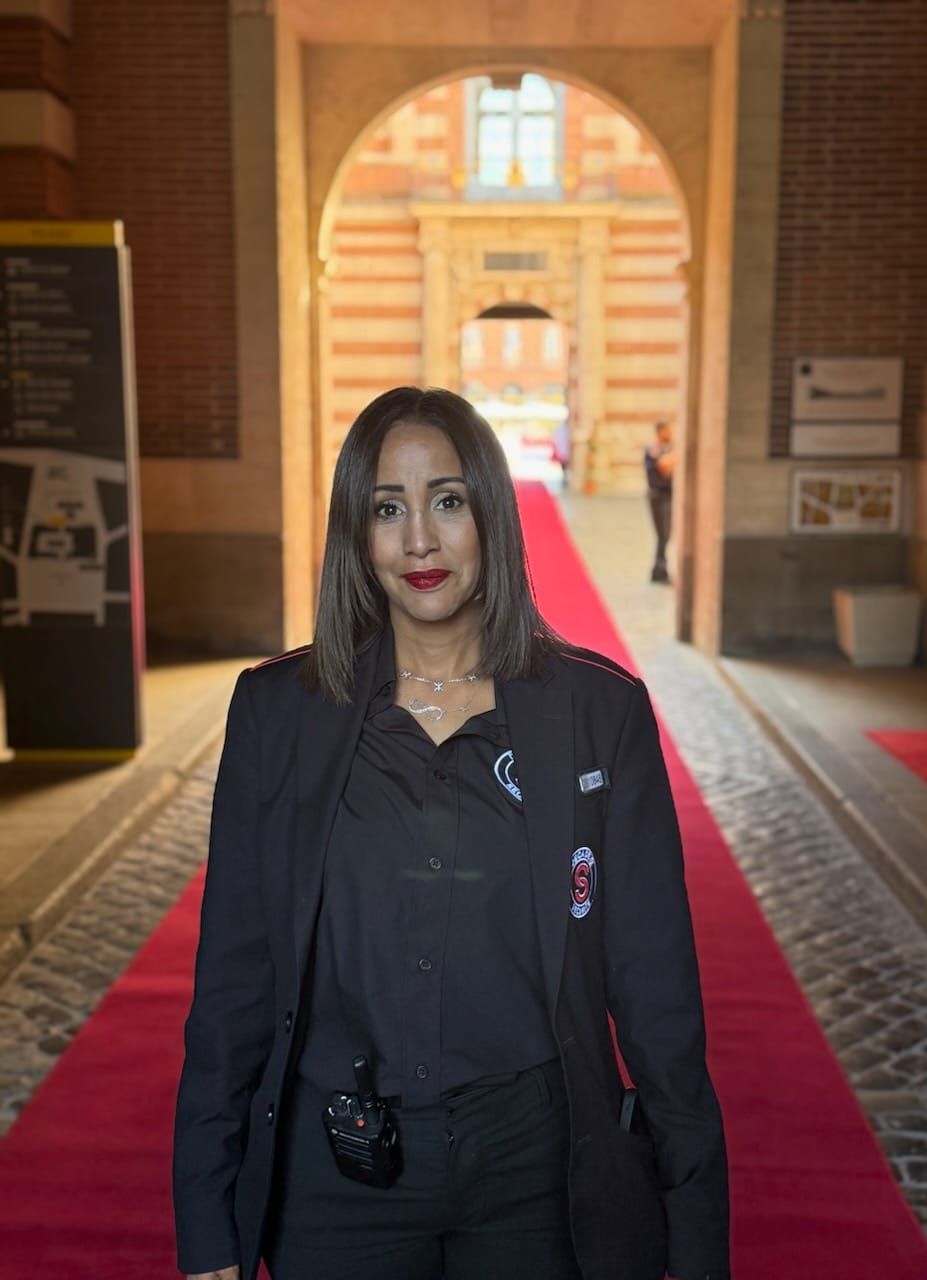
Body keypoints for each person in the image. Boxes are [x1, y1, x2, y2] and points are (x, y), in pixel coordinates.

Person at [172, 386, 729, 1280]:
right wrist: (206, 1227)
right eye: (387, 508)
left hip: (536, 1174)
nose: (418, 541)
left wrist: (697, 1239)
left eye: (448, 501)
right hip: (334, 1180)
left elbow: (659, 995)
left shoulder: (599, 712)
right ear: (357, 531)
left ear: (493, 517)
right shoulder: (279, 714)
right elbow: (235, 979)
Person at [644, 418, 676, 584]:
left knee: (666, 533)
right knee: (662, 533)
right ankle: (659, 569)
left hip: (668, 495)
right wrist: (670, 462)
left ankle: (659, 568)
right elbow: (664, 468)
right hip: (657, 495)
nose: (671, 433)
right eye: (668, 430)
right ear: (660, 432)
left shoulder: (668, 449)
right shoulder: (653, 449)